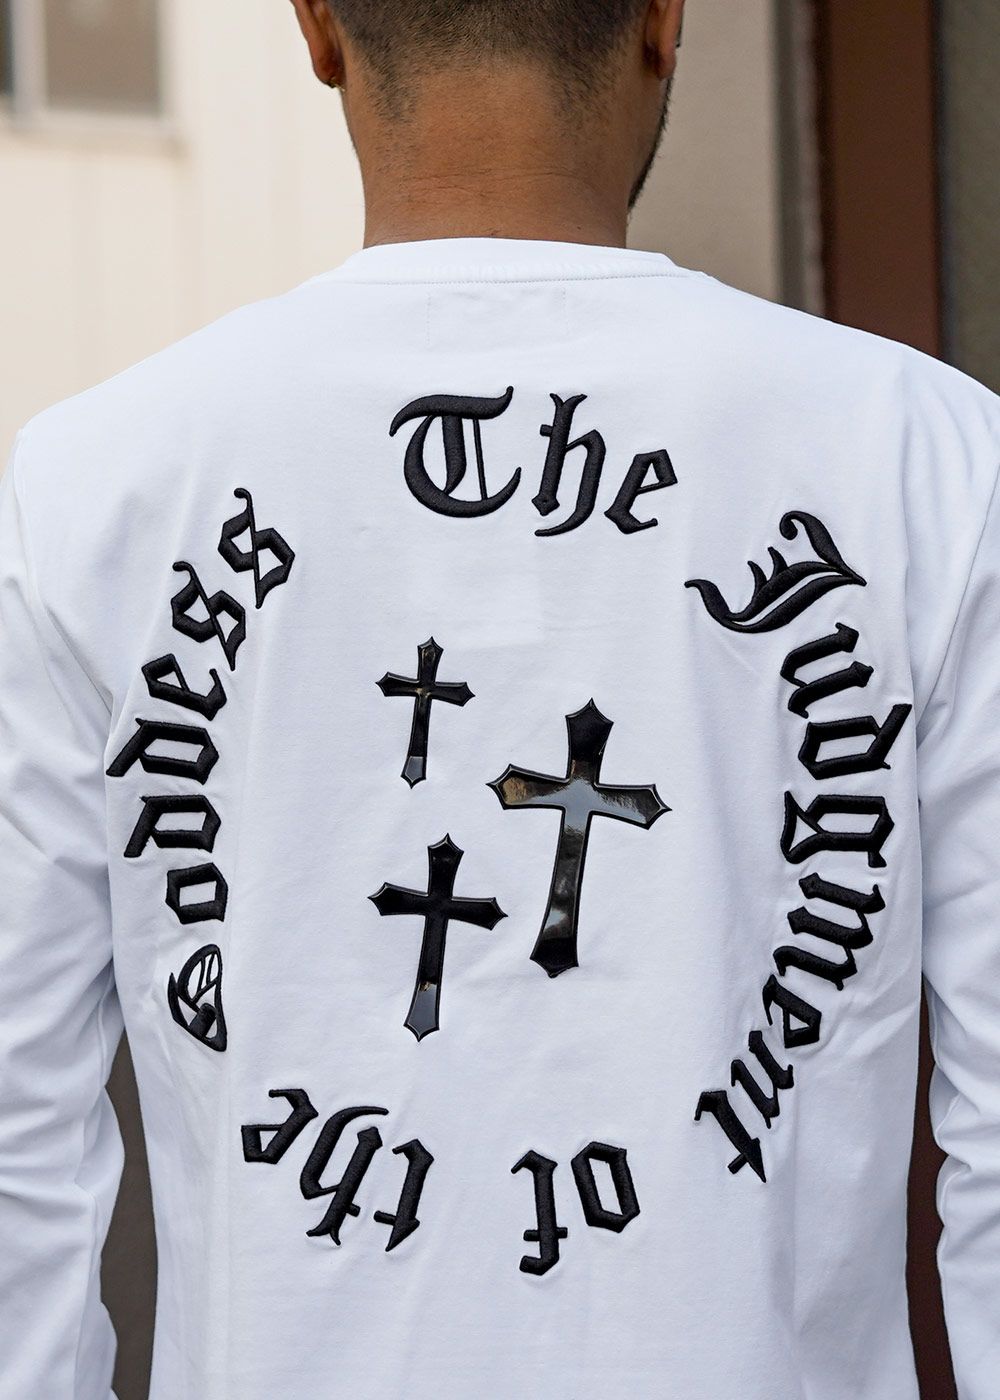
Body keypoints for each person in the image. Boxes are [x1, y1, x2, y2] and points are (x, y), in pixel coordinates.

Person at [0, 1, 997, 1396]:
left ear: (316, 26)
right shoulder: (929, 466)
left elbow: (17, 1147)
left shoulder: (91, 492)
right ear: (665, 18)